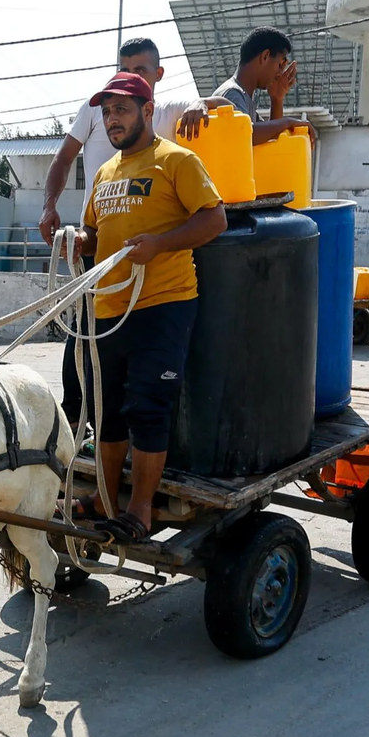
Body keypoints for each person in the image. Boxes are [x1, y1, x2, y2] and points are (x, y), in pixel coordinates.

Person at [61, 72, 226, 543]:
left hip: (163, 305)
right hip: (110, 308)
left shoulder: (176, 160)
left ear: (147, 111)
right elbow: (95, 234)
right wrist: (76, 240)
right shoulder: (105, 173)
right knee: (109, 410)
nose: (112, 120)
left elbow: (215, 218)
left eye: (122, 110)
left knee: (148, 409)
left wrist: (160, 244)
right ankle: (106, 499)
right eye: (107, 112)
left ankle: (140, 510)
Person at [39, 37, 230, 432]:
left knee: (146, 388)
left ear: (156, 81)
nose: (128, 77)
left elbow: (217, 104)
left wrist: (199, 106)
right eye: (123, 68)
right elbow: (63, 158)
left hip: (153, 274)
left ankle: (139, 456)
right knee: (84, 339)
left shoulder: (167, 116)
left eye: (138, 71)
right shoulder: (100, 114)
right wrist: (52, 209)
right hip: (99, 252)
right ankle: (76, 423)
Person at [214, 27, 316, 145]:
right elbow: (246, 135)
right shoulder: (231, 93)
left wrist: (277, 99)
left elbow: (270, 138)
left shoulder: (244, 99)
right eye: (279, 65)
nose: (280, 73)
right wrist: (288, 122)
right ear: (265, 56)